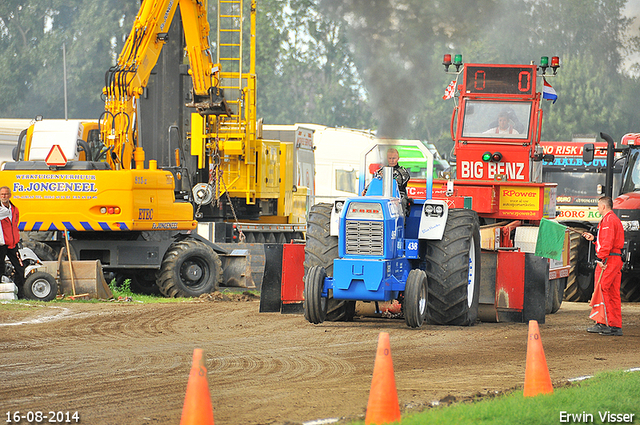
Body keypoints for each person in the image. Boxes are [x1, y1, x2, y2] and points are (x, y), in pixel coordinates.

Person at [582, 196, 624, 336]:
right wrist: (594, 239)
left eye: (599, 206)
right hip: (615, 258)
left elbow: (607, 242)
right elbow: (607, 240)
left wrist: (600, 258)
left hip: (608, 260)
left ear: (604, 206)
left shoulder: (607, 221)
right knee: (612, 292)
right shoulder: (613, 220)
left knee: (601, 289)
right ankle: (615, 325)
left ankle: (603, 323)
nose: (598, 208)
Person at [363, 148, 411, 215]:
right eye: (390, 158)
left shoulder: (402, 171)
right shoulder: (381, 170)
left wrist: (388, 176)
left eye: (394, 158)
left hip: (398, 195)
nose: (392, 160)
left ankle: (402, 223)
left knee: (403, 201)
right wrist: (366, 189)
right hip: (381, 195)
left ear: (398, 158)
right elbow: (374, 181)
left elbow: (401, 182)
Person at [0, 186, 24, 297]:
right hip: (1, 244)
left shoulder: (15, 209)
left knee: (20, 268)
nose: (4, 196)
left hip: (12, 244)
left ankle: (20, 294)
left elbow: (15, 224)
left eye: (6, 194)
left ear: (10, 195)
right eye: (2, 194)